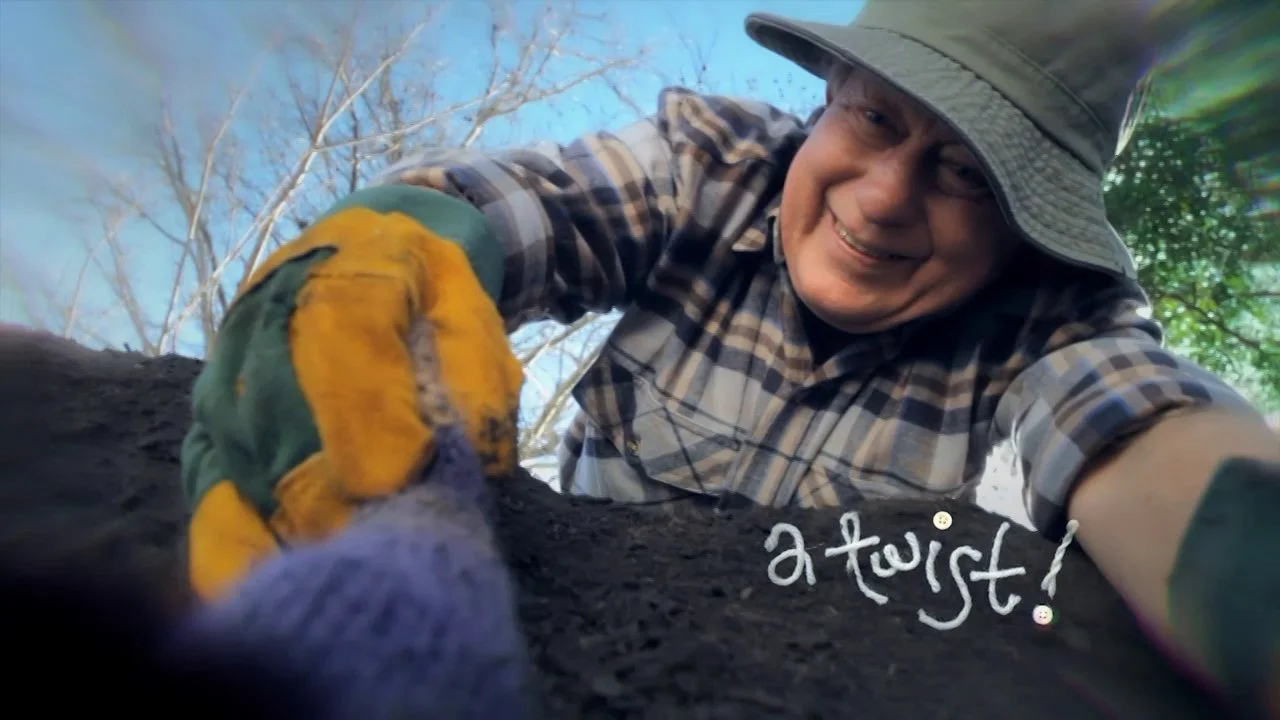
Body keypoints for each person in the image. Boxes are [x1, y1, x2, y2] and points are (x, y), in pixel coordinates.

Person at [177, 0, 1280, 716]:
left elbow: (1149, 433)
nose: (882, 199)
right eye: (876, 122)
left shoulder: (1053, 322)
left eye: (963, 175)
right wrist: (391, 254)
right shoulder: (712, 167)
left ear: (1025, 229)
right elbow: (522, 208)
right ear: (828, 98)